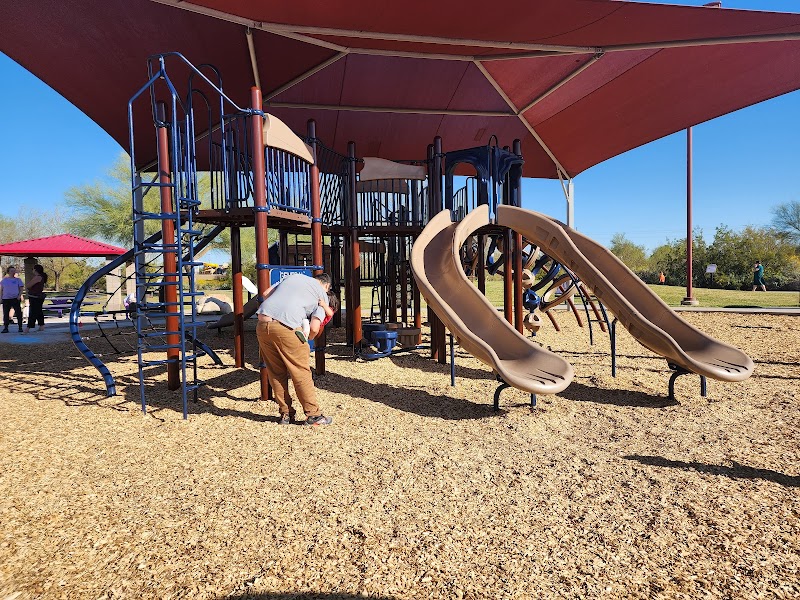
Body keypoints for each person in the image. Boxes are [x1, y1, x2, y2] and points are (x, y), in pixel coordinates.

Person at [256, 272, 333, 426]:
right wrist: (308, 338)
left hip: (262, 324)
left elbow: (266, 294)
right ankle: (313, 415)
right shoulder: (321, 295)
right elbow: (314, 327)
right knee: (300, 372)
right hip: (287, 326)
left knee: (276, 372)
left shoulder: (293, 277)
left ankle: (285, 414)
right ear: (326, 286)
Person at [1, 266, 26, 333]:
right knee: (6, 313)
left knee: (18, 313)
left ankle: (20, 327)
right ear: (8, 272)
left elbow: (21, 289)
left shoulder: (18, 280)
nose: (13, 272)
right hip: (6, 298)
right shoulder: (4, 280)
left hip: (15, 298)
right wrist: (1, 297)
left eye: (14, 271)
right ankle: (6, 327)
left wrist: (19, 296)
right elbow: (1, 289)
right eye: (11, 271)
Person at [25, 264, 48, 333]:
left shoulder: (37, 277)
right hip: (38, 296)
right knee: (39, 311)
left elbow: (28, 285)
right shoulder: (41, 277)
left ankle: (28, 327)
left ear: (35, 270)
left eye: (33, 269)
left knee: (33, 312)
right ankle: (41, 325)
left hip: (35, 297)